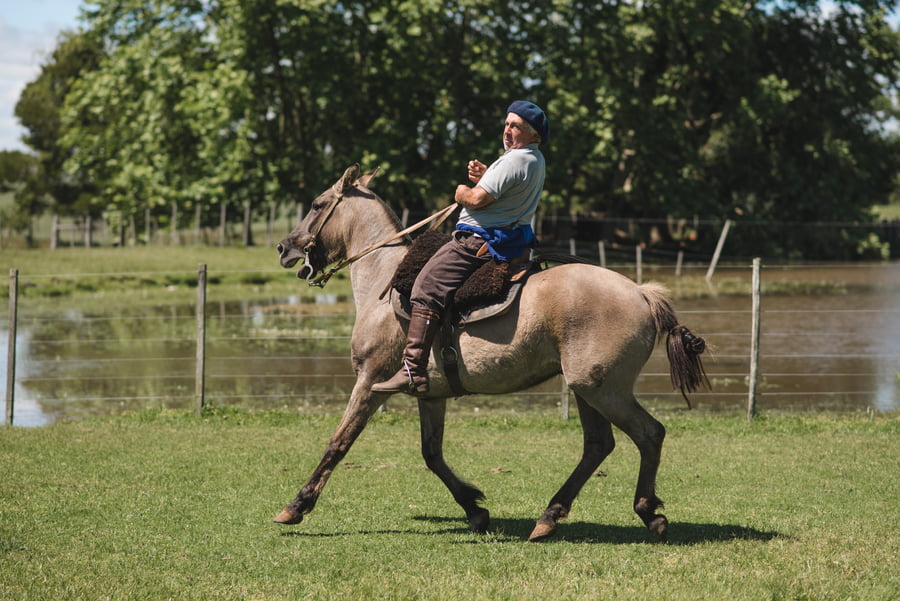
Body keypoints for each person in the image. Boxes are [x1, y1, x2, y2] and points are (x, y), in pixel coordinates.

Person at [372, 100, 549, 395]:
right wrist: (487, 178)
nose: (507, 130)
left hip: (478, 241)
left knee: (426, 286)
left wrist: (463, 192)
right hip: (509, 237)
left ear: (534, 135)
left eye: (515, 126)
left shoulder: (515, 159)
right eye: (506, 124)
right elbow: (506, 193)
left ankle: (412, 370)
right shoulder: (533, 159)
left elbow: (477, 200)